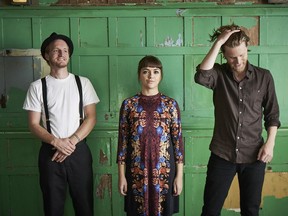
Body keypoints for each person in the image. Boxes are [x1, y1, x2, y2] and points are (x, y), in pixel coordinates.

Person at [194, 24, 281, 216]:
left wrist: (270, 143)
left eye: (242, 54)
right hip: (222, 154)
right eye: (232, 57)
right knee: (210, 210)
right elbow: (201, 76)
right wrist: (219, 42)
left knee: (250, 210)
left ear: (247, 48)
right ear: (224, 55)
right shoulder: (218, 74)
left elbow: (272, 113)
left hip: (254, 155)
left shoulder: (264, 77)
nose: (238, 60)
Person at [23, 32, 100, 216]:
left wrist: (71, 142)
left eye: (65, 50)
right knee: (52, 208)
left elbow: (91, 117)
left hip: (79, 150)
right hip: (51, 152)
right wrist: (57, 143)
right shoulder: (37, 87)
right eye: (56, 50)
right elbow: (33, 124)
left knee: (85, 207)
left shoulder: (83, 83)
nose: (62, 53)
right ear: (47, 56)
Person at [117, 55, 184, 216]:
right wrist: (121, 176)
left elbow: (178, 143)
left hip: (164, 172)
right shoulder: (129, 105)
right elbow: (123, 143)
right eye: (146, 71)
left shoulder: (170, 105)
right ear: (139, 75)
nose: (151, 76)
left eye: (155, 71)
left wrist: (179, 176)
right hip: (136, 172)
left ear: (161, 75)